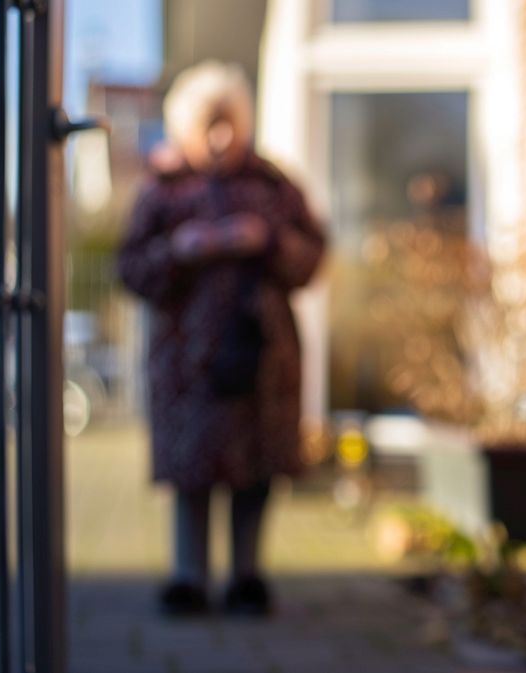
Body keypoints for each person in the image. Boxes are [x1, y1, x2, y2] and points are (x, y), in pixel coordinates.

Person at [118, 61, 326, 617]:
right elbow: (131, 268)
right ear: (184, 127)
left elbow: (312, 255)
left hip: (262, 351)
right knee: (194, 467)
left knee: (255, 465)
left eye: (229, 123)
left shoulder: (273, 185)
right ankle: (188, 575)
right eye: (208, 125)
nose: (220, 138)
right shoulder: (161, 191)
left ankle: (247, 574)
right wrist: (181, 249)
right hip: (186, 358)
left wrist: (268, 241)